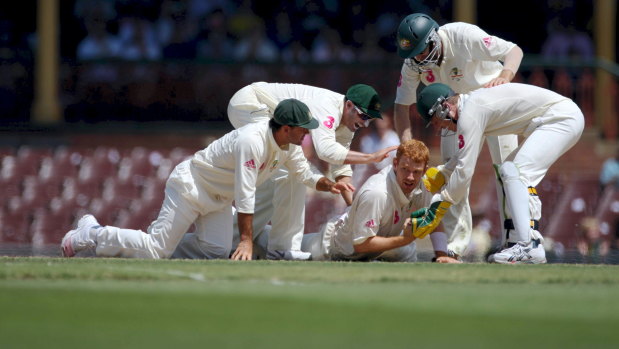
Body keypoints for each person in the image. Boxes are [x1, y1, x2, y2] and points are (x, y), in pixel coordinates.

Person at [61, 99, 354, 261]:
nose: (307, 134)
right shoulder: (253, 140)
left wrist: (330, 185)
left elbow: (304, 173)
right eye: (303, 129)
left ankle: (160, 239)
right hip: (191, 187)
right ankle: (94, 232)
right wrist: (246, 241)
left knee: (214, 251)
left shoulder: (288, 145)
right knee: (155, 251)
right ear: (287, 127)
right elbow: (246, 193)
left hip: (218, 200)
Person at [393, 13, 524, 258]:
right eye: (415, 54)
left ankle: (515, 241)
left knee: (507, 172)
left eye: (422, 50)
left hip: (492, 102)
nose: (419, 59)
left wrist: (505, 76)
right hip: (453, 113)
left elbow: (514, 50)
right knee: (450, 176)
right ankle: (455, 246)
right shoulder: (412, 62)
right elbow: (402, 105)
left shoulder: (463, 36)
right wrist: (407, 144)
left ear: (433, 38)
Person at [413, 82, 584, 264]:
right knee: (508, 169)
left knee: (516, 171)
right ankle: (521, 242)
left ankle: (529, 245)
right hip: (558, 119)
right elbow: (464, 156)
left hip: (561, 119)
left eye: (439, 122)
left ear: (445, 107)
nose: (443, 128)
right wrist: (443, 172)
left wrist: (439, 205)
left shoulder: (470, 113)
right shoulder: (472, 107)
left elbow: (465, 172)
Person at [226, 82, 397, 260]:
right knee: (289, 170)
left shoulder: (348, 123)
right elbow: (326, 150)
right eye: (363, 116)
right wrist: (370, 157)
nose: (365, 123)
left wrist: (353, 209)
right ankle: (270, 246)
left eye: (370, 118)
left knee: (287, 171)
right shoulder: (327, 107)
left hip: (259, 107)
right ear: (349, 105)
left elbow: (341, 166)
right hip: (249, 103)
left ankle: (259, 244)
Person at [301, 139, 460, 263]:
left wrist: (442, 256)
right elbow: (361, 244)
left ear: (424, 170)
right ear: (396, 164)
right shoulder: (377, 193)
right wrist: (405, 238)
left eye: (416, 172)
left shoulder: (422, 186)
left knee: (407, 250)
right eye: (405, 169)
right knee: (284, 246)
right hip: (332, 247)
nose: (410, 177)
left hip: (376, 247)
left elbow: (433, 218)